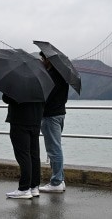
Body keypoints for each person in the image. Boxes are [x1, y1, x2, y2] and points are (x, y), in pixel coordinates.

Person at [2, 93, 44, 199]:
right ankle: (34, 187)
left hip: (20, 120)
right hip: (36, 120)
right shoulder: (40, 82)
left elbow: (7, 98)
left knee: (23, 155)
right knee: (34, 154)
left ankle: (24, 188)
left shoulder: (17, 81)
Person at [38, 51, 69, 193]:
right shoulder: (63, 76)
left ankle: (56, 182)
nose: (41, 60)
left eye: (42, 58)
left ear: (48, 60)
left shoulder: (49, 77)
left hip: (50, 116)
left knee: (53, 149)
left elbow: (45, 96)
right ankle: (59, 180)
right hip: (60, 114)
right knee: (56, 147)